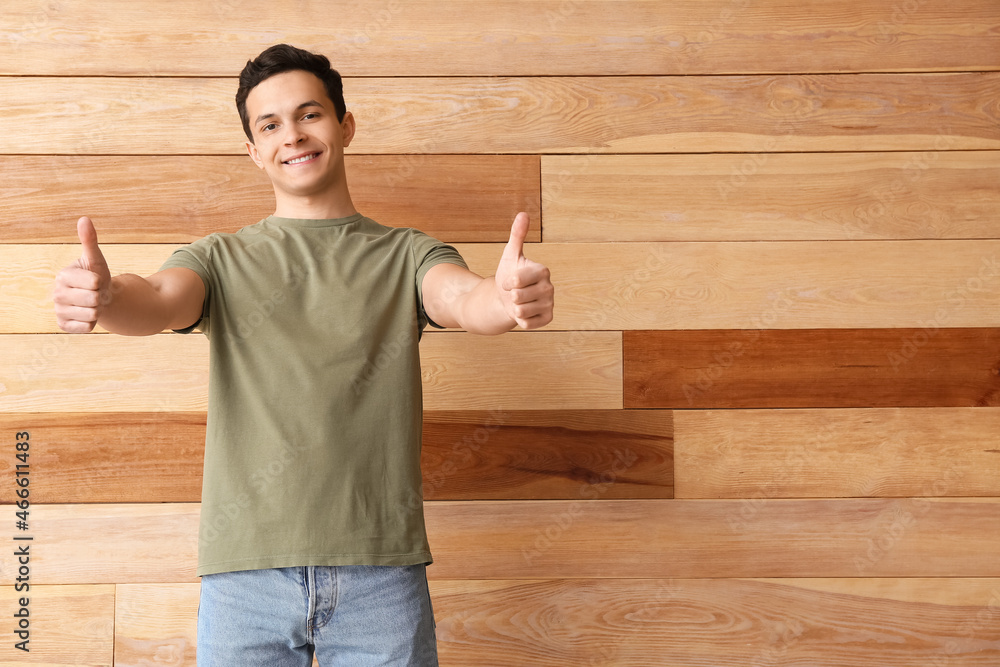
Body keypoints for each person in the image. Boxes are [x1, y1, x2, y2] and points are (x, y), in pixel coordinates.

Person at [52, 43, 553, 666]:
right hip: (245, 579)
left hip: (381, 578)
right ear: (254, 150)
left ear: (345, 125)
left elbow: (465, 298)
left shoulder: (407, 254)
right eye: (270, 125)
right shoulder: (219, 258)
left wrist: (507, 300)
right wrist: (103, 297)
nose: (292, 135)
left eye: (309, 114)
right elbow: (155, 299)